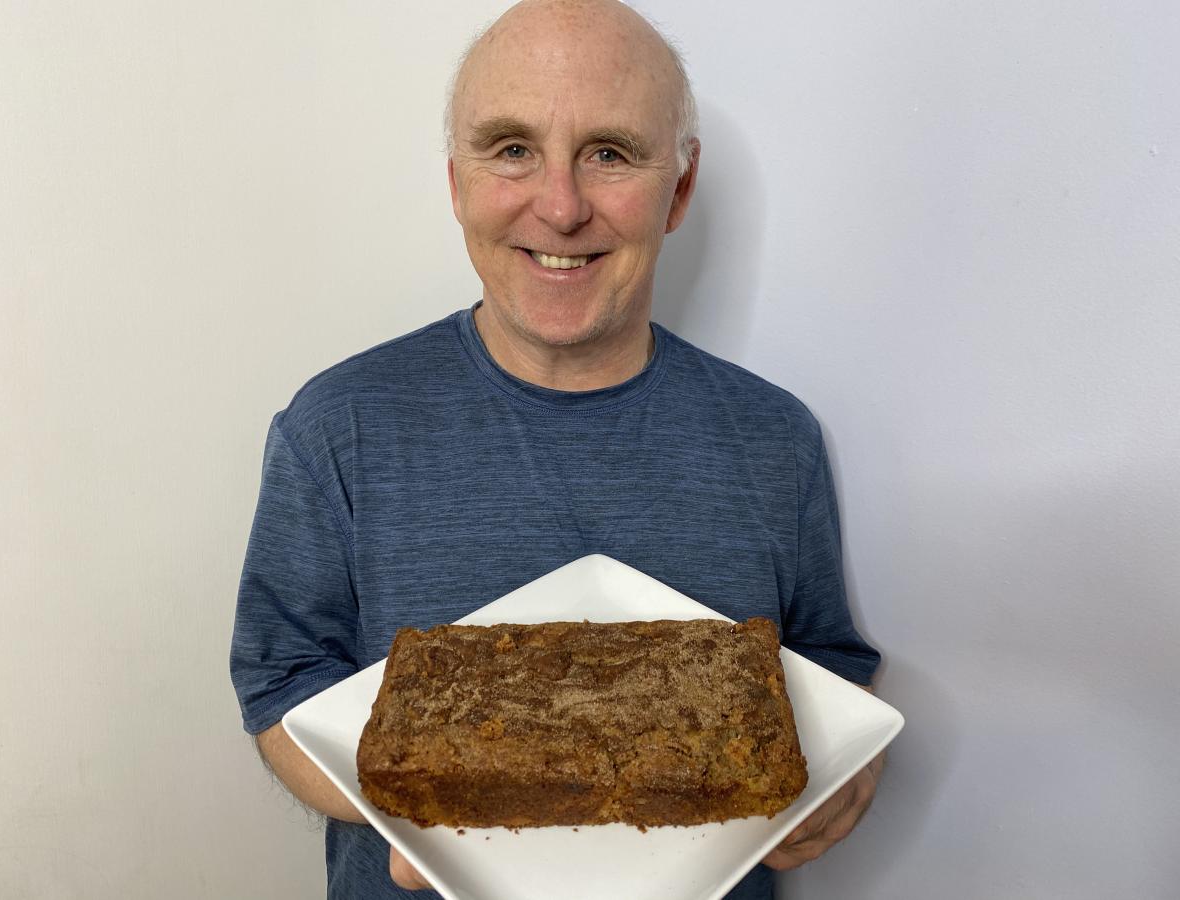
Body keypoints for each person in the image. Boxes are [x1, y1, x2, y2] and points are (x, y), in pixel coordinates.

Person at [230, 1, 884, 897]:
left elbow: (827, 664)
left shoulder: (775, 440)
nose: (562, 206)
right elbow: (279, 685)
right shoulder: (336, 428)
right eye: (511, 149)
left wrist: (845, 769)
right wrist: (390, 798)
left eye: (610, 153)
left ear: (679, 190)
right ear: (458, 183)